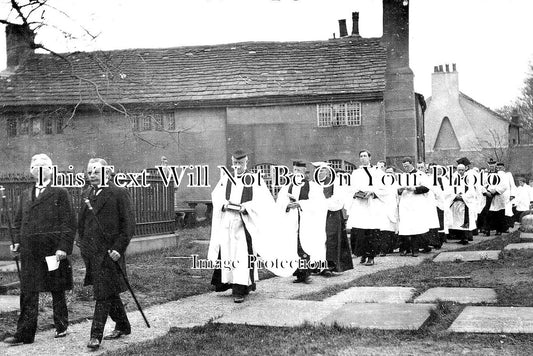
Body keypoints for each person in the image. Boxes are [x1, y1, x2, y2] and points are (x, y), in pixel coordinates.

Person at [4, 154, 76, 346]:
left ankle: (61, 325)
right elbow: (20, 221)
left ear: (51, 171)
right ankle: (24, 334)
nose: (39, 169)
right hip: (30, 252)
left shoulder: (60, 193)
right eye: (35, 166)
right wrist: (17, 242)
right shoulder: (26, 194)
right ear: (31, 171)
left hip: (52, 251)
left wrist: (63, 248)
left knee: (56, 288)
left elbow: (68, 223)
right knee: (28, 291)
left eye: (44, 166)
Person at [209, 150, 296, 300]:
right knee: (228, 254)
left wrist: (247, 207)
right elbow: (217, 196)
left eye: (240, 163)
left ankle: (239, 290)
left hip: (245, 224)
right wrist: (223, 205)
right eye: (235, 163)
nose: (237, 166)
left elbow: (264, 202)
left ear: (246, 163)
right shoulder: (226, 178)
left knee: (242, 255)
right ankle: (233, 284)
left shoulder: (254, 179)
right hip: (229, 223)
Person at [78, 158, 135, 350]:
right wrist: (82, 244)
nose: (92, 175)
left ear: (108, 173)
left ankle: (95, 336)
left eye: (96, 171)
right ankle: (123, 325)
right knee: (108, 291)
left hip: (110, 253)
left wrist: (118, 249)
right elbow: (82, 223)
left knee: (102, 293)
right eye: (90, 172)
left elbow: (128, 226)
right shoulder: (86, 193)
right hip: (92, 253)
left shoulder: (118, 193)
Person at [277, 160, 327, 282]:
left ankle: (306, 274)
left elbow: (319, 203)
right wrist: (287, 205)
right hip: (292, 221)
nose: (296, 173)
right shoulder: (287, 186)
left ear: (305, 173)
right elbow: (280, 202)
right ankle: (299, 274)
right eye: (295, 170)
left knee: (305, 247)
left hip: (306, 221)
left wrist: (300, 204)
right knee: (294, 247)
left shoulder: (313, 187)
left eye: (299, 171)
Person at [345, 150, 385, 266]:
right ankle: (362, 254)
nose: (363, 158)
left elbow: (384, 188)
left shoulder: (377, 172)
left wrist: (372, 192)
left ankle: (371, 256)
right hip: (359, 204)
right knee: (360, 231)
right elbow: (351, 188)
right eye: (361, 156)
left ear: (370, 157)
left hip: (371, 205)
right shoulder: (356, 173)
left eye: (365, 156)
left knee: (371, 231)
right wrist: (356, 193)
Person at [312, 162, 353, 274]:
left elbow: (338, 200)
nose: (320, 173)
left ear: (327, 171)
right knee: (317, 239)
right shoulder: (313, 184)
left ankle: (330, 266)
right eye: (317, 171)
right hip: (316, 215)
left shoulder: (335, 182)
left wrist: (322, 203)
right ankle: (317, 265)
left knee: (331, 239)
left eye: (322, 170)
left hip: (332, 213)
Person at [397, 157, 430, 257]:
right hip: (405, 204)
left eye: (407, 166)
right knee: (404, 227)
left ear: (412, 164)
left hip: (416, 203)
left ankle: (415, 249)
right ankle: (404, 248)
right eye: (404, 166)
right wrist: (400, 189)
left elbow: (426, 188)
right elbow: (396, 189)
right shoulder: (402, 176)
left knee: (415, 227)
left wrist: (414, 188)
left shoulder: (420, 175)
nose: (406, 168)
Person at [448, 163, 480, 244]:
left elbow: (471, 190)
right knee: (458, 221)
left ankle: (466, 238)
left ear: (465, 170)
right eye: (459, 170)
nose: (460, 172)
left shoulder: (468, 178)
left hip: (465, 202)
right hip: (456, 202)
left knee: (465, 221)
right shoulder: (454, 178)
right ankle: (460, 237)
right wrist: (455, 196)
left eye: (462, 170)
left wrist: (463, 197)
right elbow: (450, 189)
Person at [485, 162, 510, 235]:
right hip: (489, 196)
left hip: (498, 196)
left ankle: (499, 229)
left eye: (493, 166)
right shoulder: (486, 174)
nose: (492, 168)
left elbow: (504, 185)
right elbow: (483, 184)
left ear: (496, 167)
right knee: (488, 213)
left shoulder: (501, 175)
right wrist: (486, 191)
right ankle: (487, 229)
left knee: (499, 214)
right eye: (490, 166)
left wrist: (495, 191)